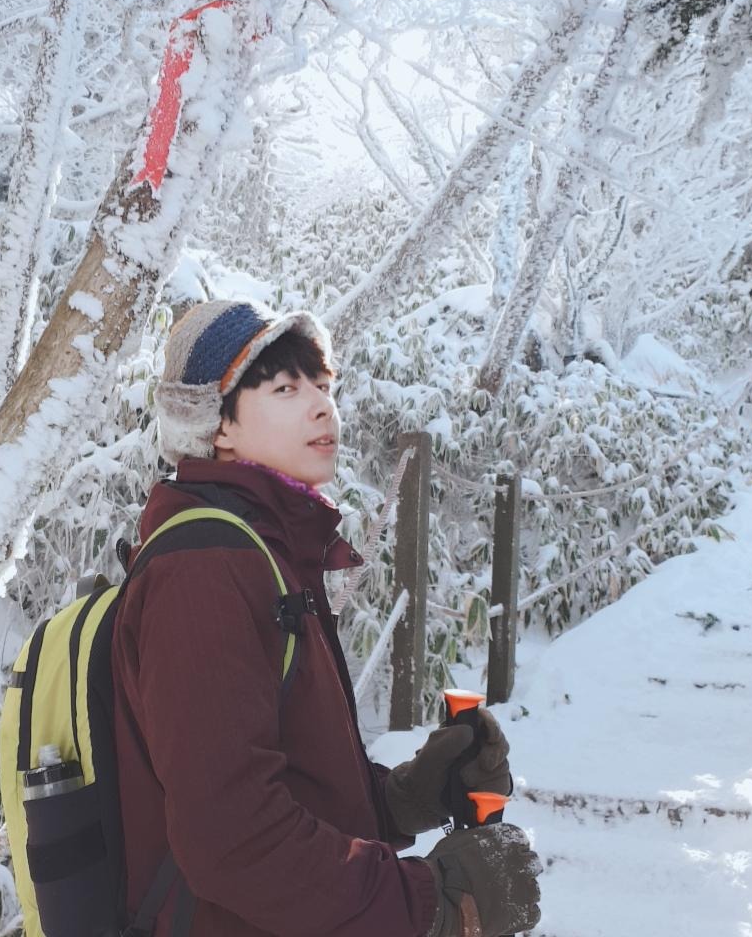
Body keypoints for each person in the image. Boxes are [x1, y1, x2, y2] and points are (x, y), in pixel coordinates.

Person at [111, 299, 542, 936]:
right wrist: (430, 901)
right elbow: (232, 837)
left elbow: (282, 777)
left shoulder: (268, 553)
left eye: (321, 385)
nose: (321, 406)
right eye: (285, 388)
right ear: (216, 424)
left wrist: (402, 798)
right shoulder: (204, 570)